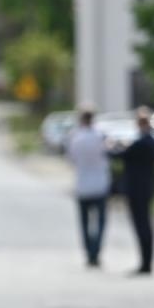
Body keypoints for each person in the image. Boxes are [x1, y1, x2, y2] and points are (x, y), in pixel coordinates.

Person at [115, 109, 154, 276]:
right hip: (147, 188)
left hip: (136, 190)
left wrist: (119, 145)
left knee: (141, 226)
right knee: (146, 226)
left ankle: (145, 263)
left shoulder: (140, 144)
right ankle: (147, 262)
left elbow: (122, 155)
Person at [66, 107, 111, 268]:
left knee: (84, 223)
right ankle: (96, 250)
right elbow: (108, 154)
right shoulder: (100, 136)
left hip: (82, 184)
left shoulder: (75, 137)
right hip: (100, 184)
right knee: (100, 222)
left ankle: (88, 251)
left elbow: (71, 159)